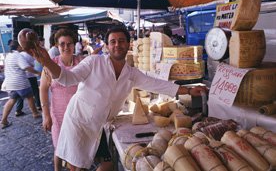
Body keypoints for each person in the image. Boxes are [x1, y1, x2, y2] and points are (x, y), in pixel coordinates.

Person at [28, 26, 208, 170]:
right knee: (75, 165)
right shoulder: (93, 62)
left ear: (128, 44)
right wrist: (47, 61)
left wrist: (187, 91)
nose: (117, 45)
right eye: (112, 41)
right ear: (106, 46)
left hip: (100, 125)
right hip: (79, 121)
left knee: (107, 164)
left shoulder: (131, 73)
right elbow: (67, 78)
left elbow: (156, 84)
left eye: (121, 41)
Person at [39, 28, 83, 171]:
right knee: (59, 147)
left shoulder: (81, 62)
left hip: (78, 115)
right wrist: (46, 115)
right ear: (57, 46)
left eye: (69, 44)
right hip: (58, 115)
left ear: (74, 45)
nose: (66, 47)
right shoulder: (50, 65)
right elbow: (43, 89)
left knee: (76, 148)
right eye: (62, 44)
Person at [1, 40, 41, 129]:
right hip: (20, 82)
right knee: (30, 97)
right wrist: (38, 73)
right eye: (20, 46)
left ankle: (4, 120)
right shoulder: (18, 56)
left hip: (11, 84)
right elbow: (26, 67)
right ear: (18, 47)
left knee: (11, 100)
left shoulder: (8, 56)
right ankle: (35, 113)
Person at [15, 47, 42, 117]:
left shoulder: (19, 54)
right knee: (35, 92)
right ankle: (38, 106)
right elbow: (32, 65)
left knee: (20, 94)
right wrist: (38, 73)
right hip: (31, 76)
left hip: (23, 77)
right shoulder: (28, 55)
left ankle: (18, 109)